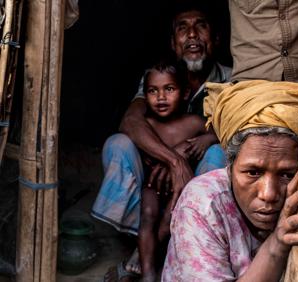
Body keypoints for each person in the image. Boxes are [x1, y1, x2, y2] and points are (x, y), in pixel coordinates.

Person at [92, 2, 231, 281]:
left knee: (218, 152)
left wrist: (195, 147)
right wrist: (173, 160)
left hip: (192, 180)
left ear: (215, 38)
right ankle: (147, 250)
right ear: (173, 42)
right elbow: (130, 122)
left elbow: (239, 129)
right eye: (183, 28)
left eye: (200, 26)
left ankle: (164, 248)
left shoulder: (231, 79)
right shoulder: (159, 76)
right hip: (154, 179)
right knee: (118, 143)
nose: (191, 35)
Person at [162, 80, 298, 281]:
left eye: (287, 175)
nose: (269, 194)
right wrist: (276, 246)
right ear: (230, 166)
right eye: (253, 173)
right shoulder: (202, 205)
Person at [137, 60, 218, 281]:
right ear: (145, 96)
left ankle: (166, 264)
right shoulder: (146, 125)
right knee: (147, 216)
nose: (160, 97)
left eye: (169, 89)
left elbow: (221, 134)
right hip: (154, 187)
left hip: (183, 188)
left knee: (170, 222)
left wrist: (206, 139)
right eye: (153, 91)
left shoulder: (194, 122)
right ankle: (147, 273)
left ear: (185, 93)